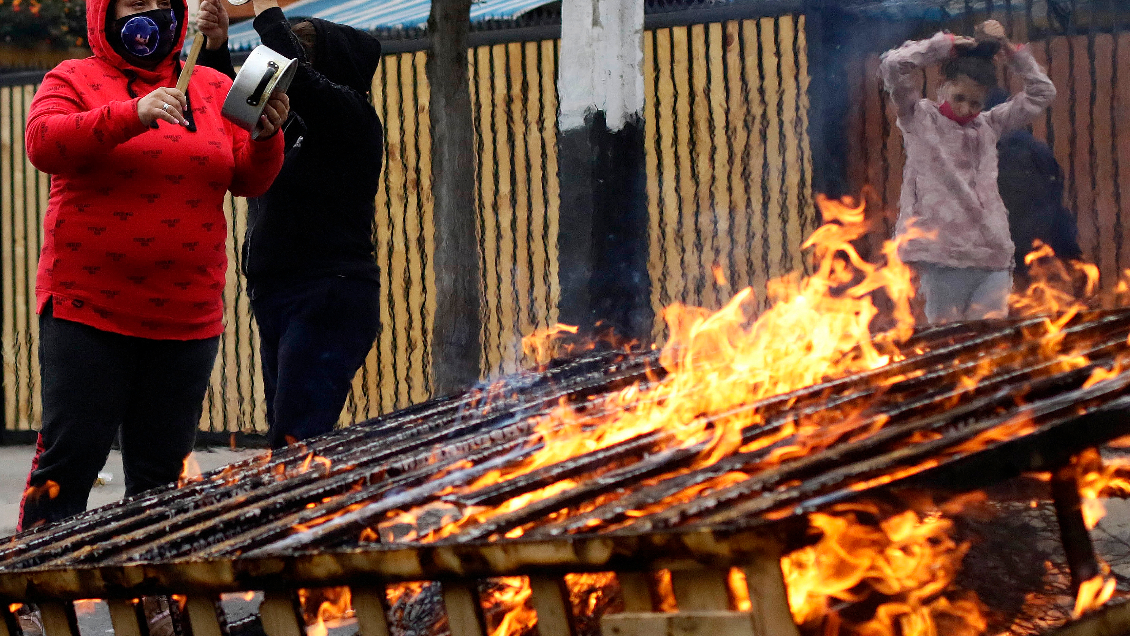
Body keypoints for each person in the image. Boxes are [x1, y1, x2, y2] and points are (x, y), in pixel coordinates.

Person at [18, 0, 289, 529]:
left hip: (186, 318)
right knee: (71, 459)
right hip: (88, 309)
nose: (147, 12)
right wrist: (134, 113)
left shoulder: (211, 87)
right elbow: (43, 143)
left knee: (161, 472)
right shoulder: (72, 77)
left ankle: (158, 602)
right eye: (132, 3)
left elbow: (250, 180)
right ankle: (32, 598)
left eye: (158, 2)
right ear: (105, 13)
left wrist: (266, 136)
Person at [196, 0, 384, 448]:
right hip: (278, 293)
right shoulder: (288, 125)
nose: (275, 72)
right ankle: (302, 512)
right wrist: (217, 45)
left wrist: (266, 12)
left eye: (290, 62)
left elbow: (304, 82)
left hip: (329, 292)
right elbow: (232, 112)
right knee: (290, 437)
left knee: (297, 438)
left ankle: (306, 516)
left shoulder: (352, 117)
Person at [879, 20, 1056, 323]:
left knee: (989, 351)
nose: (965, 109)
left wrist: (1011, 51)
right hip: (940, 257)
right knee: (947, 348)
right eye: (959, 98)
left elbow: (1042, 92)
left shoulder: (989, 125)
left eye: (975, 102)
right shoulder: (919, 118)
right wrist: (943, 45)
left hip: (993, 257)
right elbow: (893, 66)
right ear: (942, 87)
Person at [984, 87, 1082, 281]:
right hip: (1052, 238)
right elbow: (1056, 186)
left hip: (1011, 246)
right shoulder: (1036, 147)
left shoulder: (988, 152)